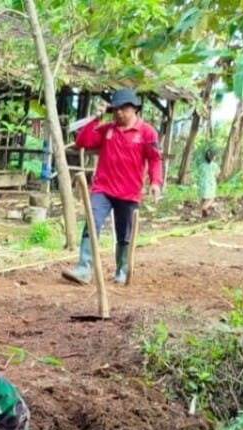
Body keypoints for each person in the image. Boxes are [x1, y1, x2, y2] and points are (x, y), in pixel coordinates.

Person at [62, 89, 163, 286]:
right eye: (115, 109)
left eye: (123, 109)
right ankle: (84, 268)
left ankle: (122, 270)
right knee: (92, 222)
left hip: (129, 192)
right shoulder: (107, 129)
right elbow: (82, 141)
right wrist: (95, 119)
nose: (118, 113)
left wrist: (155, 183)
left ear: (133, 109)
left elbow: (154, 160)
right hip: (103, 188)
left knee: (124, 233)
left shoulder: (147, 132)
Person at [196, 147, 219, 219]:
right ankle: (204, 208)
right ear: (213, 157)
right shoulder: (215, 165)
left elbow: (199, 174)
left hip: (202, 184)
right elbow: (217, 174)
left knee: (202, 198)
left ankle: (201, 214)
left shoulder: (202, 165)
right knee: (211, 198)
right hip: (210, 184)